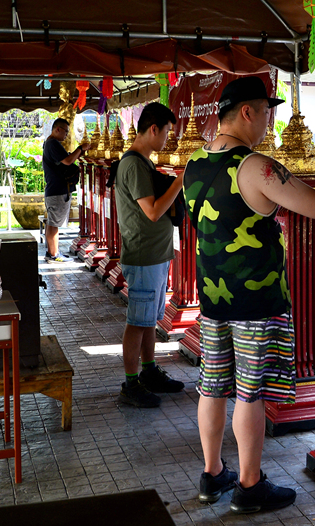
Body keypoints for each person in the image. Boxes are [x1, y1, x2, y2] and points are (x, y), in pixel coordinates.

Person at [184, 76, 315, 513]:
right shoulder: (255, 166)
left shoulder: (194, 162)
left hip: (213, 298)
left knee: (212, 386)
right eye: (266, 111)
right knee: (249, 392)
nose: (269, 121)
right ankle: (249, 485)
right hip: (255, 302)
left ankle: (212, 474)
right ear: (247, 112)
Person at [113, 103, 187, 408]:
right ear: (153, 129)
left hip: (154, 255)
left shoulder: (142, 163)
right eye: (167, 132)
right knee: (137, 321)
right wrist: (179, 182)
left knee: (147, 321)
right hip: (143, 255)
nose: (168, 139)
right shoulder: (133, 164)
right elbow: (153, 212)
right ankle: (131, 383)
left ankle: (149, 370)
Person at [42, 117, 90, 262]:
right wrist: (81, 148)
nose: (67, 135)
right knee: (54, 224)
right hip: (57, 190)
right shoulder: (52, 143)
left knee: (52, 223)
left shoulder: (49, 143)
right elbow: (68, 161)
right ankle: (54, 254)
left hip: (54, 189)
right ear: (58, 129)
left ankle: (52, 252)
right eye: (66, 132)